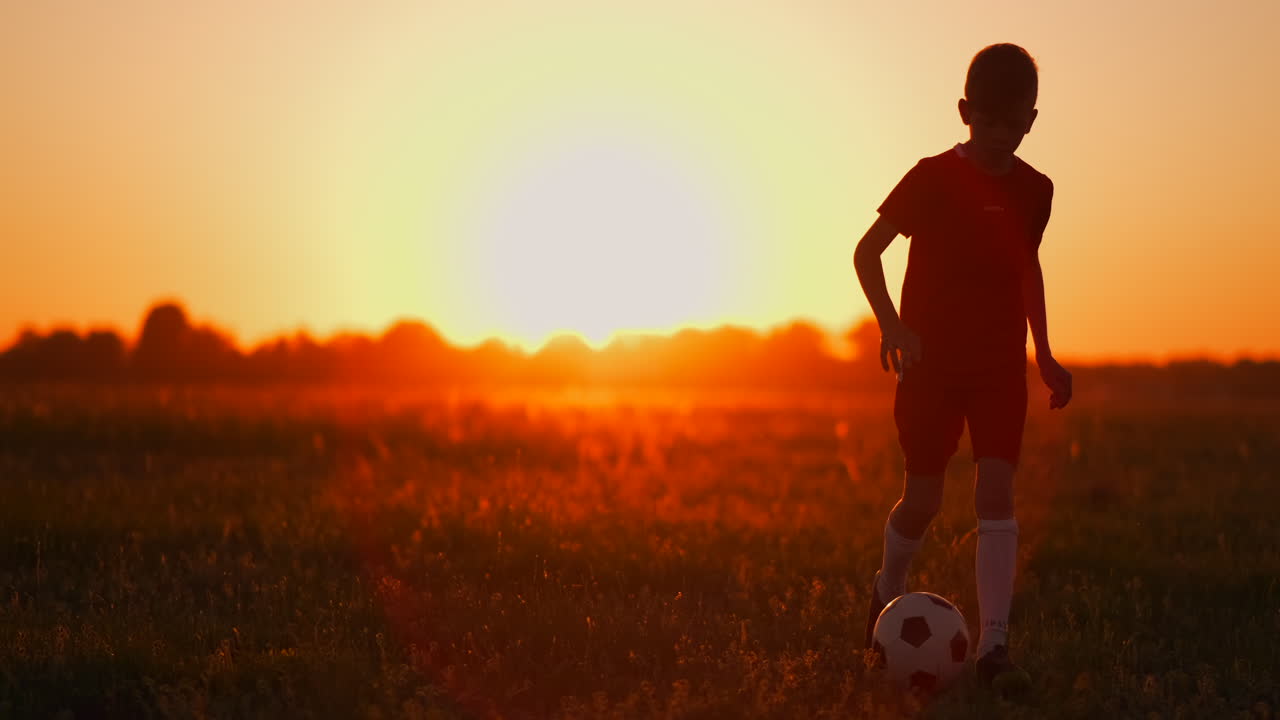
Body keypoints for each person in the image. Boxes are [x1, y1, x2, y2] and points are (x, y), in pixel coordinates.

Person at [852, 43, 1073, 689]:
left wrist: (1046, 353)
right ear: (964, 112)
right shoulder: (931, 177)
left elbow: (1026, 269)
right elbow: (867, 253)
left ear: (1032, 120)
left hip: (999, 368)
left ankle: (994, 647)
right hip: (932, 368)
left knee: (996, 493)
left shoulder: (1037, 190)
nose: (1000, 137)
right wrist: (893, 326)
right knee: (923, 499)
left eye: (1013, 124)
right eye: (987, 123)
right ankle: (887, 586)